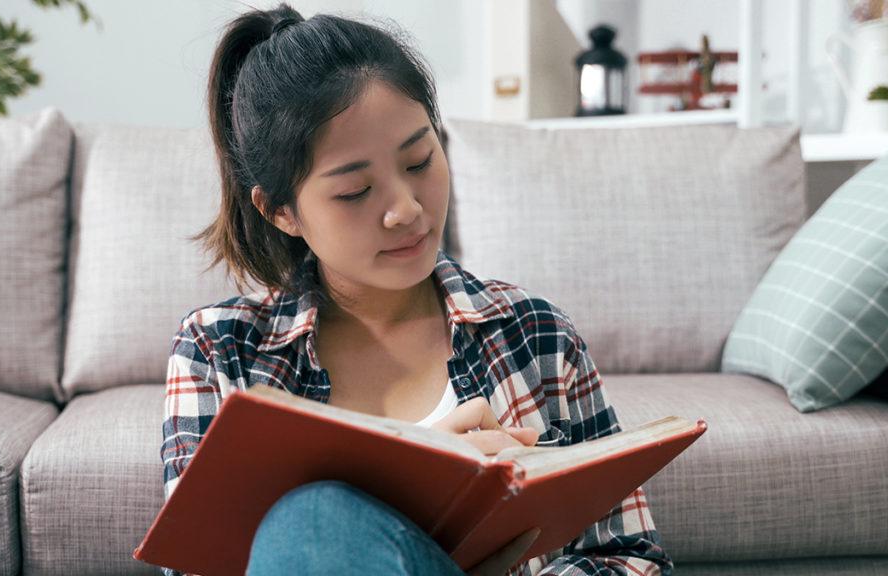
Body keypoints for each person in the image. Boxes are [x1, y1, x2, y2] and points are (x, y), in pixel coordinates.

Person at [159, 3, 674, 575]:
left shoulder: (534, 333)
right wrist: (418, 482)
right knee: (312, 520)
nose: (406, 210)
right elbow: (196, 567)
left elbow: (629, 558)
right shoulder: (219, 351)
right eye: (355, 191)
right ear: (281, 211)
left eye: (421, 159)